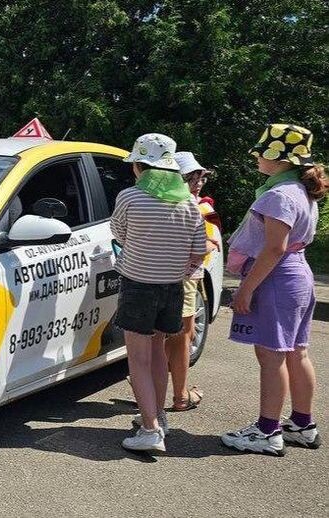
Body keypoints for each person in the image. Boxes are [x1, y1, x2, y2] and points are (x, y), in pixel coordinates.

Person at [221, 124, 327, 456]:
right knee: (297, 351)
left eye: (261, 152)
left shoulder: (278, 195)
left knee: (271, 355)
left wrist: (246, 290)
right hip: (298, 275)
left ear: (279, 158)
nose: (255, 157)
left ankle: (267, 430)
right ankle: (302, 423)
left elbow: (273, 249)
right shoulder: (300, 191)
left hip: (277, 277)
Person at [111, 133, 207, 453]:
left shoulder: (129, 198)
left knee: (137, 360)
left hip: (138, 285)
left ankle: (150, 429)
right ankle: (160, 418)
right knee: (157, 356)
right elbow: (199, 251)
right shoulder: (190, 204)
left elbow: (120, 233)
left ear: (140, 167)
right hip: (172, 289)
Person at [158, 151, 221, 412]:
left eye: (201, 177)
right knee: (179, 336)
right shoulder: (182, 204)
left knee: (181, 335)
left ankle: (169, 392)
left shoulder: (200, 205)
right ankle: (178, 396)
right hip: (178, 277)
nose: (198, 181)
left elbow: (211, 242)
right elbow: (204, 244)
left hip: (185, 277)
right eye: (191, 176)